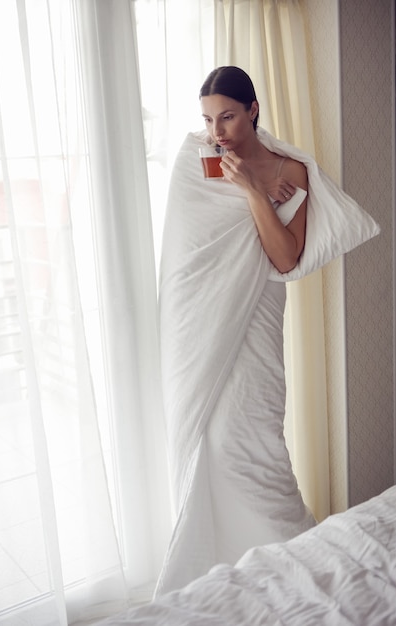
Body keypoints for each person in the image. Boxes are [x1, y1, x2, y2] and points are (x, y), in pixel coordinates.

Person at [155, 66, 379, 596]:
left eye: (228, 116)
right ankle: (214, 577)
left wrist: (254, 190)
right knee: (211, 443)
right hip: (200, 320)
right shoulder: (199, 159)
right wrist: (249, 187)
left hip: (256, 314)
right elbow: (188, 255)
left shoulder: (290, 170)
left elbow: (284, 257)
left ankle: (292, 561)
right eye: (209, 119)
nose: (218, 132)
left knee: (256, 443)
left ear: (253, 109)